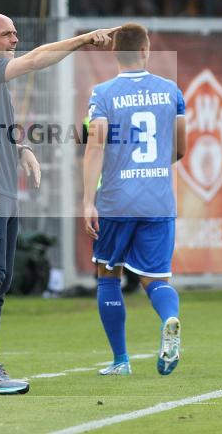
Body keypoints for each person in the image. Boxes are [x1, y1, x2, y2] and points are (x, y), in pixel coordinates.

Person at [0, 12, 114, 395]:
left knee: (1, 280)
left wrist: (22, 148)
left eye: (15, 33)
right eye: (6, 34)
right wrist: (83, 39)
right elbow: (37, 59)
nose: (14, 39)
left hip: (2, 192)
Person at [82, 22, 186, 377]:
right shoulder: (171, 91)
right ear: (146, 49)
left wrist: (87, 200)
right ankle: (169, 317)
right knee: (156, 279)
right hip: (159, 199)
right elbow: (180, 147)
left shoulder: (103, 94)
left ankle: (120, 360)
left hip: (116, 200)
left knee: (108, 274)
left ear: (114, 52)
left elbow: (95, 146)